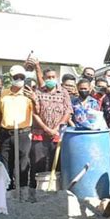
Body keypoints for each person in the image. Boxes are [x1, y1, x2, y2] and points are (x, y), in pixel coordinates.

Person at [29, 68, 72, 202]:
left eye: (53, 77)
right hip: (40, 134)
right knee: (38, 164)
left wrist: (57, 128)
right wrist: (46, 128)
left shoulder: (63, 92)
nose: (51, 79)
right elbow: (35, 113)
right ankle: (35, 194)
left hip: (57, 135)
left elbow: (68, 111)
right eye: (48, 77)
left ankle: (56, 194)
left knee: (57, 164)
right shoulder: (37, 92)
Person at [0, 65, 35, 192]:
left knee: (23, 164)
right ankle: (7, 191)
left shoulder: (29, 95)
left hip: (23, 133)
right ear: (11, 77)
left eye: (21, 77)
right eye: (16, 77)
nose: (19, 79)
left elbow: (37, 112)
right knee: (6, 162)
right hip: (6, 133)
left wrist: (34, 99)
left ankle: (22, 190)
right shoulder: (3, 93)